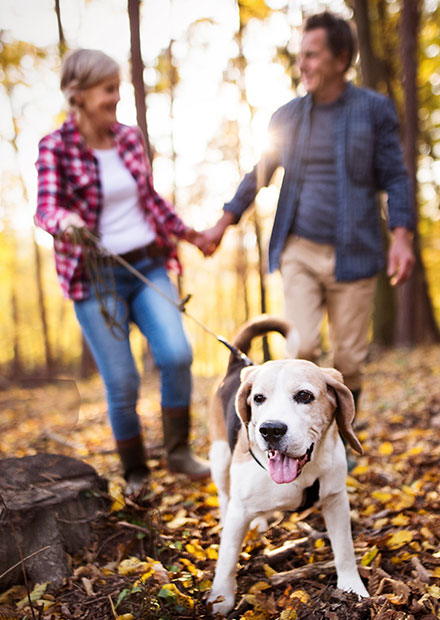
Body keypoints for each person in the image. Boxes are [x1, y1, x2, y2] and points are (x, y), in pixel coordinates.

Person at [201, 11, 415, 409]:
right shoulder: (287, 116)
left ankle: (340, 432)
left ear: (341, 58)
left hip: (356, 254)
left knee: (349, 361)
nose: (304, 64)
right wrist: (222, 223)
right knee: (301, 347)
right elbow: (257, 175)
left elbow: (396, 177)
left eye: (313, 55)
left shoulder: (374, 110)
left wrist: (401, 236)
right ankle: (302, 443)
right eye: (302, 55)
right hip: (299, 248)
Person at [35, 48, 210, 493]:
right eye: (108, 89)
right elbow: (45, 209)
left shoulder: (130, 139)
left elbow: (151, 201)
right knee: (123, 380)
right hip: (94, 279)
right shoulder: (55, 146)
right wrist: (64, 223)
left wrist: (190, 234)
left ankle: (178, 451)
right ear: (79, 93)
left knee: (176, 354)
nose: (116, 97)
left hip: (147, 265)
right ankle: (135, 472)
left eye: (117, 88)